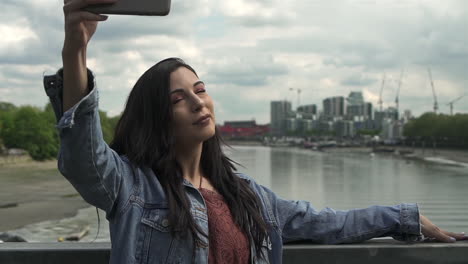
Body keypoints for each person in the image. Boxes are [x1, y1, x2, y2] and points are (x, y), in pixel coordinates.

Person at [44, 0, 467, 263]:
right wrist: (76, 44)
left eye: (201, 90)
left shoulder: (249, 196)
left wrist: (406, 218)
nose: (197, 102)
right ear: (156, 118)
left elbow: (328, 223)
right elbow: (84, 153)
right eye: (177, 100)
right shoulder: (132, 186)